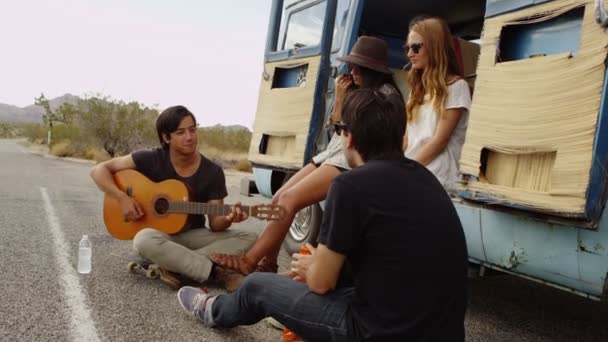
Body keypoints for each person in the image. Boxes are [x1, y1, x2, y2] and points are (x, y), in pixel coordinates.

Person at [177, 89, 469, 341]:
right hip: (443, 333)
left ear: (349, 138)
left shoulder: (350, 184)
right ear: (401, 138)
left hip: (377, 333)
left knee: (257, 285)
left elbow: (320, 283)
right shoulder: (427, 180)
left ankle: (212, 310)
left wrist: (312, 267)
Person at [209, 35, 403, 275]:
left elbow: (356, 132)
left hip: (349, 157)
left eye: (357, 66)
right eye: (350, 64)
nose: (351, 70)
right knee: (279, 196)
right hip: (330, 153)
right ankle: (268, 265)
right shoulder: (356, 89)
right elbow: (335, 127)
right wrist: (342, 97)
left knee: (290, 200)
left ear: (371, 68)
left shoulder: (385, 95)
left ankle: (248, 263)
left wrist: (343, 103)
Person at [90, 105, 256, 290]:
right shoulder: (150, 158)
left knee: (250, 238)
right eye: (181, 132)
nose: (190, 137)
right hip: (160, 236)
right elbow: (99, 170)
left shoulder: (212, 172)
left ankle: (173, 264)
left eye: (193, 129)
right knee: (143, 240)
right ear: (166, 137)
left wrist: (228, 218)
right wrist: (121, 198)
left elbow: (216, 224)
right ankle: (214, 272)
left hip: (192, 235)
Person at [403, 15, 472, 189]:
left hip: (438, 178)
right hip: (413, 171)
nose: (410, 54)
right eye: (408, 48)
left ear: (435, 48)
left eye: (416, 47)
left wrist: (404, 170)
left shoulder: (457, 87)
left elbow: (439, 142)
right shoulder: (417, 90)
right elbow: (407, 138)